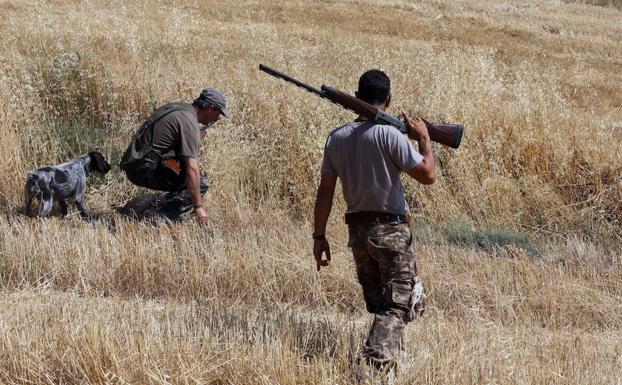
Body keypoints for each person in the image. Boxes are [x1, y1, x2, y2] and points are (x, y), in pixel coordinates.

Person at [312, 69, 435, 375]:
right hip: (390, 229)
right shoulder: (390, 134)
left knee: (383, 304)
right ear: (389, 99)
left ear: (355, 98)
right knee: (400, 302)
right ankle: (371, 366)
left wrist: (319, 235)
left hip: (357, 230)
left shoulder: (336, 137)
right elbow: (428, 175)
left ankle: (391, 365)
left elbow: (325, 191)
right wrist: (424, 140)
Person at [120, 88, 231, 223]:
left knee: (184, 177)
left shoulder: (182, 109)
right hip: (143, 168)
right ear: (211, 109)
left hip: (137, 162)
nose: (217, 118)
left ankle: (155, 209)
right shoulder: (189, 123)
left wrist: (194, 139)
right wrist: (198, 207)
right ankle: (160, 220)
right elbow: (192, 168)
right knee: (199, 183)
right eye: (218, 113)